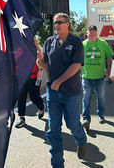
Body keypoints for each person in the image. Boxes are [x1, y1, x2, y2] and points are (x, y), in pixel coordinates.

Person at [37, 13, 87, 168]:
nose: (56, 25)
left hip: (71, 92)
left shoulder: (76, 42)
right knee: (53, 130)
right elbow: (42, 62)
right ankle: (57, 164)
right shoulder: (49, 42)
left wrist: (59, 81)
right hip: (53, 94)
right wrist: (39, 60)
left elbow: (76, 65)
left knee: (72, 124)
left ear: (67, 24)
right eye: (55, 23)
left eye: (60, 22)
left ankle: (81, 140)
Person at [81, 25, 113, 131]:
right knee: (86, 98)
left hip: (100, 77)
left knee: (101, 97)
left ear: (97, 33)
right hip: (86, 77)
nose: (92, 34)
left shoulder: (103, 43)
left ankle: (101, 114)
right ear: (87, 33)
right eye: (90, 32)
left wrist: (108, 71)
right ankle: (86, 119)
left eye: (94, 32)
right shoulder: (83, 44)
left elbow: (109, 57)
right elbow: (77, 59)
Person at [15, 62, 44, 128]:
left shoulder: (35, 51)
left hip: (34, 77)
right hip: (21, 77)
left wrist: (41, 70)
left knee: (34, 97)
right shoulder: (16, 51)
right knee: (21, 97)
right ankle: (22, 118)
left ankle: (41, 107)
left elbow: (40, 60)